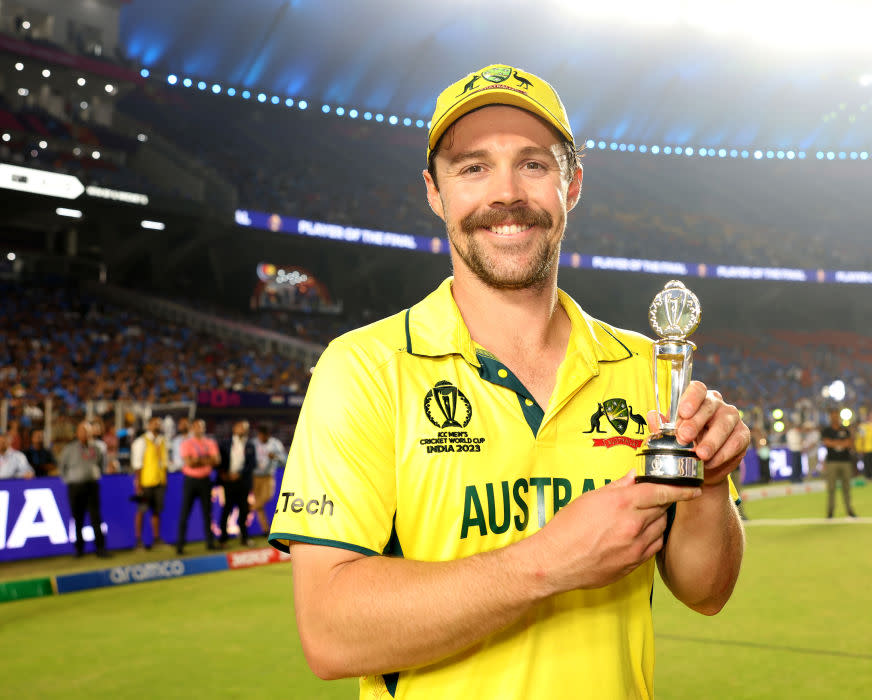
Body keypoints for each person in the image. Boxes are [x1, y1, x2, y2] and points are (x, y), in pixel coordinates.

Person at [269, 64, 748, 699]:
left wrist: (709, 485)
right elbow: (330, 634)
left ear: (571, 185)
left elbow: (707, 591)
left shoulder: (642, 367)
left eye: (533, 165)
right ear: (435, 192)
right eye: (473, 168)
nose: (507, 194)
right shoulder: (364, 368)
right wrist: (546, 564)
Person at [58, 421, 110, 557]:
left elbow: (102, 465)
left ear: (91, 432)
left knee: (96, 517)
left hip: (92, 485)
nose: (84, 434)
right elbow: (62, 468)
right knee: (77, 518)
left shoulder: (98, 447)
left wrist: (96, 474)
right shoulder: (69, 449)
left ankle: (101, 548)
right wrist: (69, 480)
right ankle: (79, 549)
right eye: (82, 431)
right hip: (75, 486)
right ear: (77, 433)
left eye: (87, 431)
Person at [176, 418, 220, 554]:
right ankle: (180, 545)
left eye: (201, 426)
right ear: (192, 428)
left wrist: (198, 460)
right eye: (196, 426)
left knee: (208, 513)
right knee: (185, 512)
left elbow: (217, 460)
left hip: (205, 481)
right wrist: (207, 460)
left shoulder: (210, 442)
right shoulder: (186, 443)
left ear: (204, 428)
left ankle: (210, 542)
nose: (199, 429)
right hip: (190, 480)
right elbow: (190, 463)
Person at [130, 415, 169, 549]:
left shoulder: (162, 441)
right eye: (154, 423)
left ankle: (157, 539)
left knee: (156, 511)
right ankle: (138, 541)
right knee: (141, 510)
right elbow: (137, 465)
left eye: (159, 423)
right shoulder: (141, 442)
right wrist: (138, 484)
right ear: (148, 425)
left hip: (159, 481)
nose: (157, 425)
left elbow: (164, 462)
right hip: (146, 483)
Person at [217, 420, 256, 547]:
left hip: (243, 482)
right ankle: (223, 539)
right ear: (234, 428)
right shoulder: (225, 443)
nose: (242, 430)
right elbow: (219, 461)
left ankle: (244, 538)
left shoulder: (250, 445)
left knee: (244, 511)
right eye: (240, 427)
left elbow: (252, 464)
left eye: (245, 428)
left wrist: (239, 474)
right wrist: (224, 474)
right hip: (228, 482)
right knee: (226, 509)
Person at [820, 409, 857, 518]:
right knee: (831, 488)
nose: (835, 417)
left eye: (836, 415)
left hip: (845, 461)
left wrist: (835, 443)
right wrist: (841, 443)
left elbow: (849, 444)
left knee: (846, 488)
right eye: (833, 415)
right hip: (832, 462)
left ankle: (849, 510)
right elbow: (827, 443)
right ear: (830, 417)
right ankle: (830, 511)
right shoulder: (827, 430)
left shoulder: (845, 430)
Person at [252, 424, 286, 535]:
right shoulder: (253, 443)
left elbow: (284, 459)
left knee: (267, 497)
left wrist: (275, 457)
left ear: (268, 435)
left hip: (268, 476)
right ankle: (265, 530)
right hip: (255, 476)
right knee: (259, 506)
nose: (262, 438)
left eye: (264, 436)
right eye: (260, 435)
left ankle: (248, 509)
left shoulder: (275, 444)